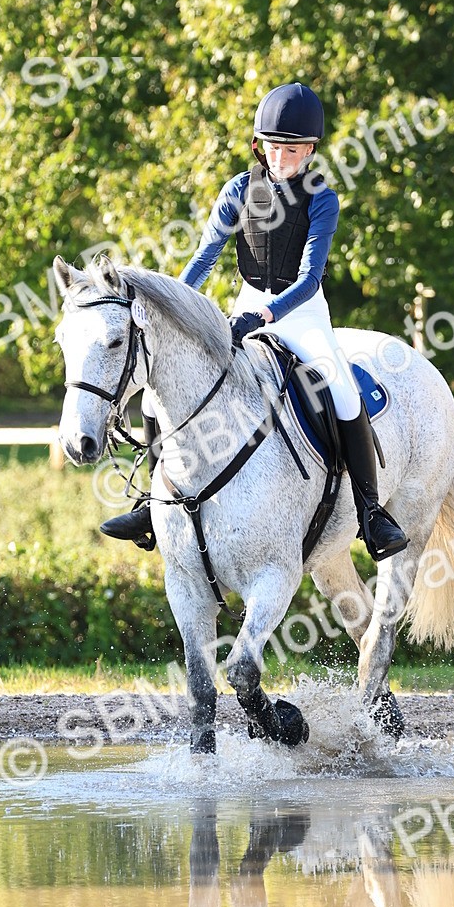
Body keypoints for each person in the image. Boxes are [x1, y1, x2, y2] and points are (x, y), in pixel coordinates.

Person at [101, 82, 408, 560]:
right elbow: (205, 258)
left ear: (310, 150)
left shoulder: (322, 199)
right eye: (273, 147)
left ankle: (371, 512)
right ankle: (151, 501)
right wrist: (172, 306)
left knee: (343, 392)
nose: (281, 158)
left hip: (301, 312)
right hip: (247, 300)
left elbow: (309, 279)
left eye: (292, 150)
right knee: (163, 385)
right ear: (258, 145)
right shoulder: (239, 190)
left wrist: (261, 316)